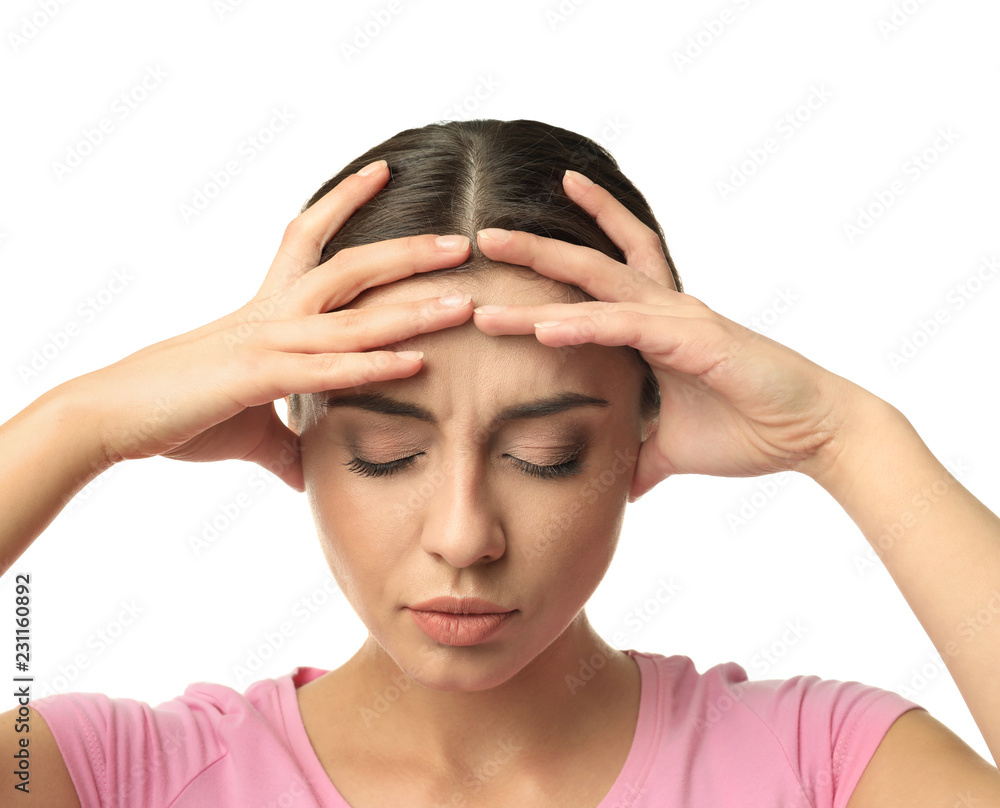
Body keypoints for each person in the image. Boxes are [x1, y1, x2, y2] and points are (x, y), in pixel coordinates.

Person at [1, 118, 998, 807]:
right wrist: (75, 425)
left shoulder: (820, 767)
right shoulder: (105, 777)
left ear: (637, 444)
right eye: (387, 453)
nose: (463, 537)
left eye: (546, 454)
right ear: (296, 428)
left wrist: (849, 438)